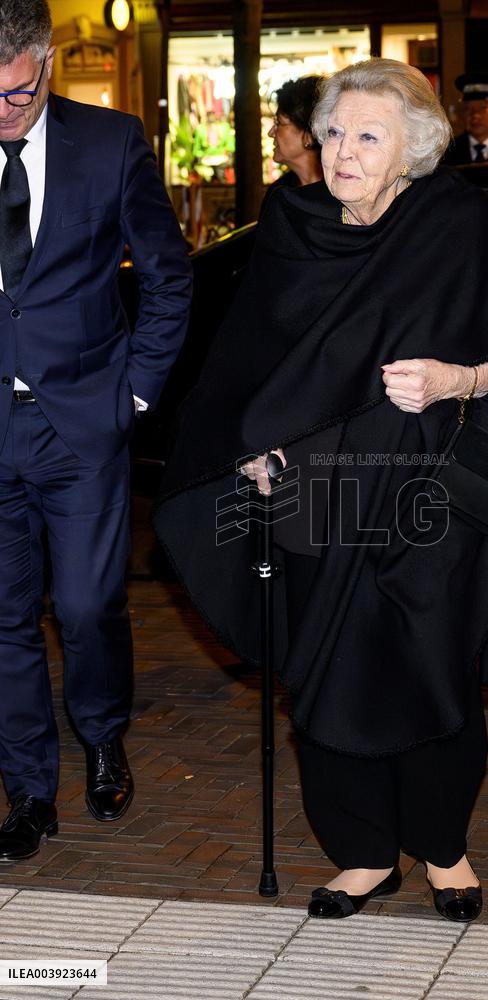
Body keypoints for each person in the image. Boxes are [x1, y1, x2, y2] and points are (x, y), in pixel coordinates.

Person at [155, 58, 488, 922]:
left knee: (434, 666)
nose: (342, 152)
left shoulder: (456, 227)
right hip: (317, 499)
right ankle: (363, 854)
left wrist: (458, 379)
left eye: (366, 137)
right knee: (325, 671)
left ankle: (444, 849)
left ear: (412, 150)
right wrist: (249, 450)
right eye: (334, 133)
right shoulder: (294, 227)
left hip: (431, 499)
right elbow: (244, 368)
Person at [0, 0, 191, 862]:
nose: (4, 112)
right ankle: (28, 790)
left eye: (16, 92)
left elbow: (169, 277)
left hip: (82, 426)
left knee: (84, 606)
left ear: (45, 60)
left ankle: (104, 734)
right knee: (5, 619)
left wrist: (135, 397)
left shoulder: (112, 143)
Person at [265, 76, 323, 194]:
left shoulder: (342, 193)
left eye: (279, 123)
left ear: (309, 135)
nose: (270, 133)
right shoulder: (278, 194)